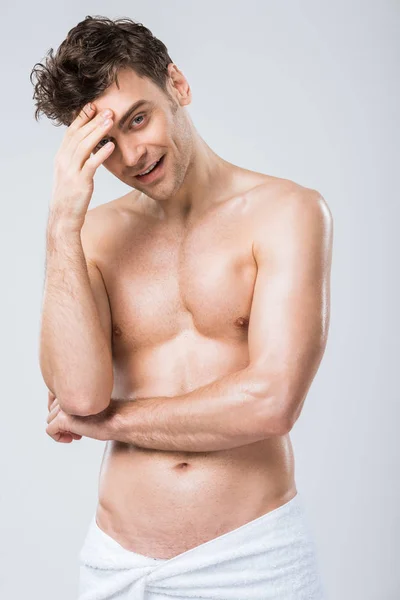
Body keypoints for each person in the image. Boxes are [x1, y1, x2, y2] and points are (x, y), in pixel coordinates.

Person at [32, 15, 332, 600]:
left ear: (177, 84)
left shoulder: (286, 213)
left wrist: (111, 423)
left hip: (254, 562)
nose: (132, 154)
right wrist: (61, 225)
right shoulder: (88, 238)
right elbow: (79, 395)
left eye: (138, 118)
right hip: (118, 567)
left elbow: (271, 403)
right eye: (104, 144)